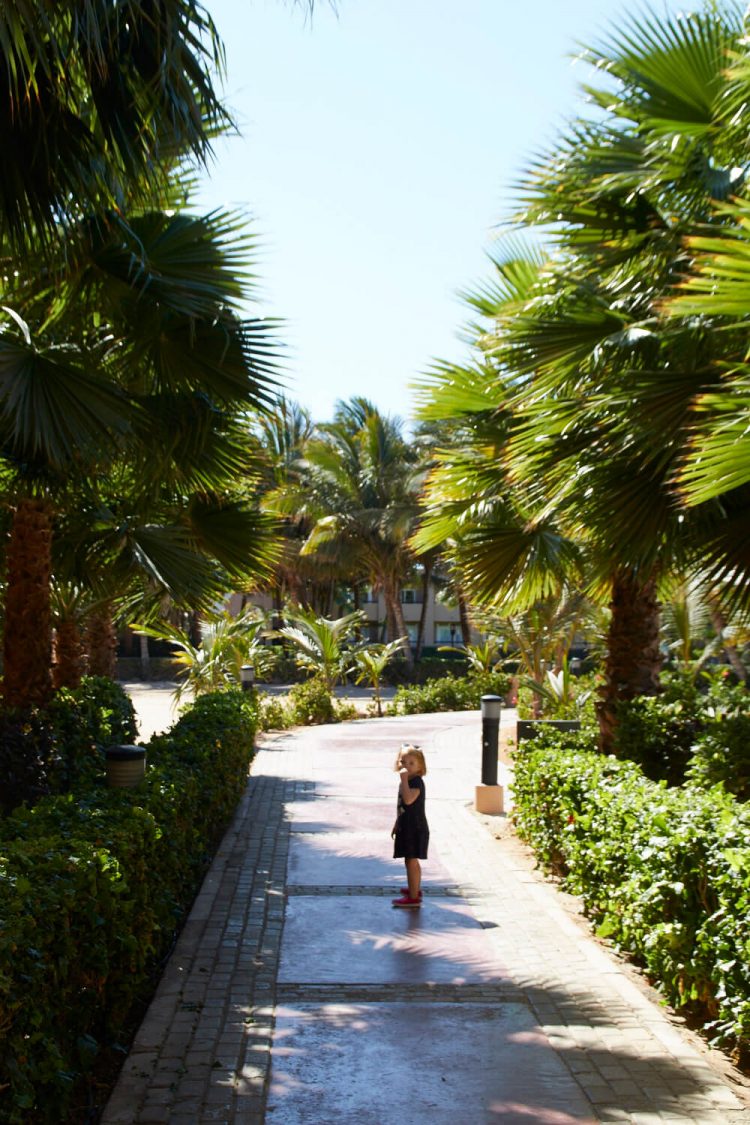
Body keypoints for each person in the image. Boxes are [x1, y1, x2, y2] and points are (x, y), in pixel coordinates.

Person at [390, 744, 429, 908]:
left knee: (411, 861)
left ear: (420, 767)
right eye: (403, 762)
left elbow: (408, 800)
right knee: (410, 861)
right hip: (406, 825)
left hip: (415, 828)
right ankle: (415, 889)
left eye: (411, 763)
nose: (406, 766)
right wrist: (397, 822)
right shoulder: (408, 781)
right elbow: (403, 807)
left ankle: (413, 898)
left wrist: (404, 780)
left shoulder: (416, 782)